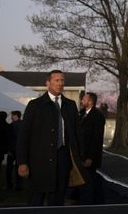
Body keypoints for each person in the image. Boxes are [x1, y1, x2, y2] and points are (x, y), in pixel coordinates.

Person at [17, 70, 84, 206]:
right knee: (36, 201)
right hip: (38, 162)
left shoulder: (70, 105)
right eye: (57, 80)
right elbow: (24, 135)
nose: (60, 83)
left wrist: (79, 157)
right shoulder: (35, 105)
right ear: (48, 83)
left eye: (62, 80)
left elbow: (77, 134)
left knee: (57, 201)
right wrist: (22, 162)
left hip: (62, 160)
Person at [79, 92, 106, 205]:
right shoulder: (81, 114)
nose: (81, 101)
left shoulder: (97, 116)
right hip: (80, 154)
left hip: (89, 157)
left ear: (90, 102)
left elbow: (96, 139)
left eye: (84, 99)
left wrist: (90, 157)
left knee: (88, 182)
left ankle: (88, 206)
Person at [6, 110, 22, 191]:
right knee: (19, 168)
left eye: (12, 115)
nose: (11, 117)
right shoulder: (23, 124)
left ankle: (10, 185)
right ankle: (19, 186)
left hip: (12, 150)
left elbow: (9, 139)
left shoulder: (11, 125)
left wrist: (8, 149)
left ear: (15, 115)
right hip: (20, 150)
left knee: (9, 168)